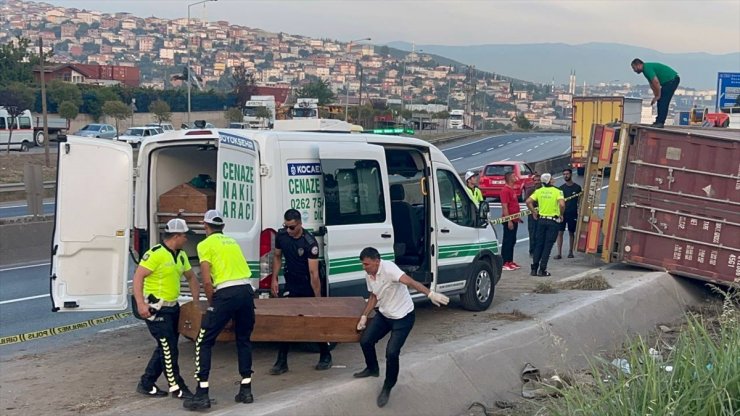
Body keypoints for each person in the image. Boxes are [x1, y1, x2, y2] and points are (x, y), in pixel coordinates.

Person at [353, 247, 450, 408]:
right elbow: (373, 296)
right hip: (385, 315)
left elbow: (411, 282)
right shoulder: (369, 275)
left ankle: (388, 386)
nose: (365, 267)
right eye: (363, 264)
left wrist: (430, 294)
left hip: (403, 317)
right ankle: (372, 368)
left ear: (377, 261)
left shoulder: (389, 269)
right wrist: (365, 315)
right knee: (365, 341)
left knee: (391, 352)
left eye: (367, 264)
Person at [184, 210, 256, 411]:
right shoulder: (232, 242)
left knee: (203, 341)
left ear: (205, 226)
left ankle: (202, 393)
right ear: (222, 227)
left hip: (226, 293)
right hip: (246, 291)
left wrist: (211, 303)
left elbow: (207, 280)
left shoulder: (204, 245)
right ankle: (246, 389)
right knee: (243, 339)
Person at [133, 218, 200, 400]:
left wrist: (195, 303)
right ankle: (178, 387)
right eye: (184, 235)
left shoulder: (181, 255)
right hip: (156, 309)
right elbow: (138, 278)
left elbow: (191, 278)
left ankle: (146, 383)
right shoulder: (155, 254)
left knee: (165, 347)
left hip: (173, 308)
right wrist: (140, 304)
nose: (186, 239)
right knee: (169, 349)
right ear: (176, 236)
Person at [268, 209, 332, 375]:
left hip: (307, 283)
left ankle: (325, 355)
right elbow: (277, 257)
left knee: (315, 320)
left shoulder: (309, 243)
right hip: (291, 283)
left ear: (300, 224)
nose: (289, 230)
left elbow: (314, 273)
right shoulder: (282, 236)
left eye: (292, 227)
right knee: (286, 321)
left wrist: (317, 298)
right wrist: (274, 278)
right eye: (286, 226)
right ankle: (282, 361)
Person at [525, 173, 564, 277]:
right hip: (552, 221)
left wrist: (533, 211)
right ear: (550, 181)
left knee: (538, 245)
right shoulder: (557, 191)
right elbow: (562, 204)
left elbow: (528, 201)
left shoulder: (539, 191)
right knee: (548, 246)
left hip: (541, 220)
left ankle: (534, 269)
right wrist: (561, 214)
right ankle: (542, 270)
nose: (553, 179)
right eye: (552, 178)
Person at [630, 58, 680, 128]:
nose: (634, 70)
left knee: (663, 101)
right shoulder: (645, 70)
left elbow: (656, 82)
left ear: (638, 65)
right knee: (661, 100)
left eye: (634, 68)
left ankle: (660, 122)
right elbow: (652, 84)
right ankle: (659, 121)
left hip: (672, 80)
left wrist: (658, 95)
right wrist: (656, 96)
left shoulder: (647, 68)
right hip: (669, 81)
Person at [555, 168, 582, 260]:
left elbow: (580, 201)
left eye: (567, 174)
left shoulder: (577, 188)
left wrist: (579, 210)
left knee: (571, 233)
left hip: (573, 213)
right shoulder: (561, 188)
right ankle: (559, 253)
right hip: (562, 213)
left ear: (571, 175)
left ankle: (571, 251)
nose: (565, 175)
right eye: (564, 174)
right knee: (560, 232)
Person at [499, 171, 522, 271]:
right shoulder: (505, 190)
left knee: (512, 240)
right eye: (513, 176)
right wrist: (509, 220)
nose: (515, 177)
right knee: (507, 241)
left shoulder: (511, 189)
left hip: (514, 219)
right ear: (509, 178)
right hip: (509, 220)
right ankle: (504, 262)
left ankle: (510, 260)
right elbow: (505, 206)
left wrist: (517, 217)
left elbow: (513, 205)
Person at [522, 171, 542, 257]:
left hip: (542, 214)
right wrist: (534, 211)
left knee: (541, 233)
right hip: (532, 214)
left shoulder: (543, 190)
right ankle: (532, 251)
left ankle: (540, 250)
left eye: (538, 180)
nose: (537, 182)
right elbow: (528, 202)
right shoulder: (530, 190)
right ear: (533, 181)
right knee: (533, 233)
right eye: (535, 180)